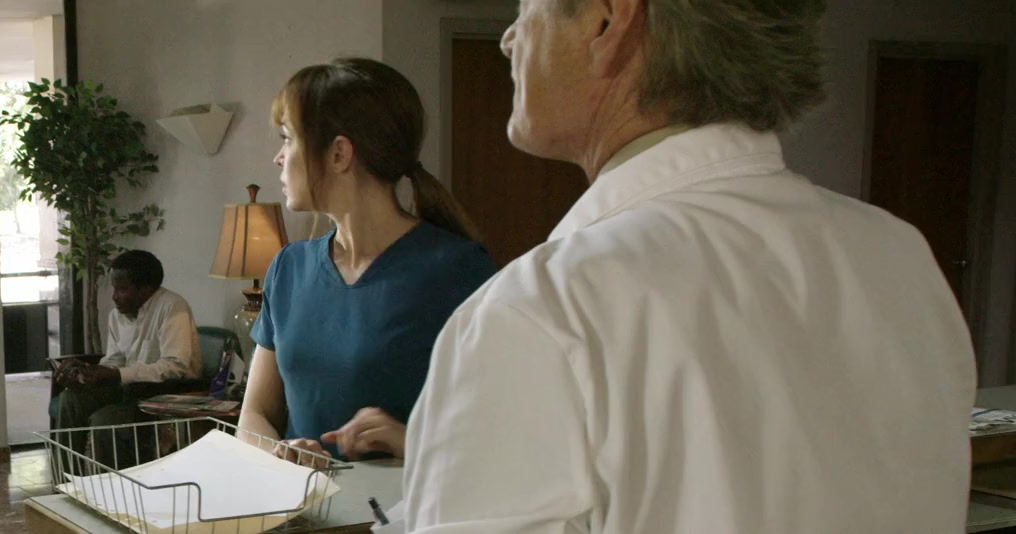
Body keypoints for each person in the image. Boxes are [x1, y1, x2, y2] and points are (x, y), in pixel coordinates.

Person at [402, 1, 977, 532]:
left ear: (607, 22)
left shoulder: (544, 311)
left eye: (530, 6)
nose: (509, 38)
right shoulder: (899, 256)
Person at [237, 57, 496, 463]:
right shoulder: (289, 267)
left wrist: (412, 442)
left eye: (287, 139)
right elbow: (254, 415)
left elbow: (504, 431)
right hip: (302, 504)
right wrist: (281, 453)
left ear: (339, 154)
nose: (278, 158)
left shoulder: (459, 271)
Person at [52, 249, 201, 461]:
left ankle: (111, 481)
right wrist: (88, 373)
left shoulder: (172, 308)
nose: (114, 296)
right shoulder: (117, 315)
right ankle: (68, 476)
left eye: (122, 289)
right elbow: (115, 360)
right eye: (115, 288)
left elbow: (175, 367)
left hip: (165, 393)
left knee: (105, 420)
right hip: (129, 389)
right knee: (70, 400)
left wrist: (117, 374)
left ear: (146, 289)